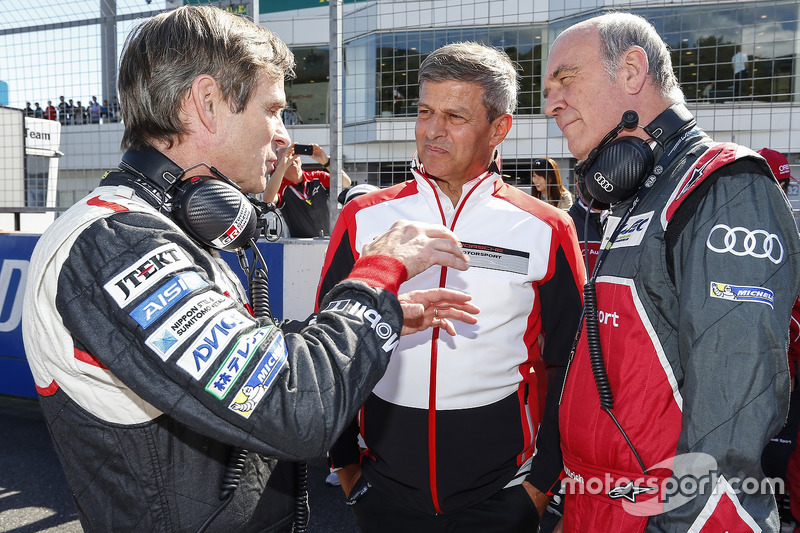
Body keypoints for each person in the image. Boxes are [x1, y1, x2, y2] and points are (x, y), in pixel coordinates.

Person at [21, 7, 480, 532]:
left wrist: (375, 318)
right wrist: (376, 276)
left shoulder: (158, 228)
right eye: (274, 110)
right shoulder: (113, 243)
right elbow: (297, 409)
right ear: (207, 103)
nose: (284, 136)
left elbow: (241, 362)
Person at [543, 12, 800, 531]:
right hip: (594, 506)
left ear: (633, 70)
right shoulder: (640, 195)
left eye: (565, 80)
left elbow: (729, 432)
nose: (551, 104)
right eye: (547, 91)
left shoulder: (725, 189)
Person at [318, 41, 585, 532]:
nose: (433, 130)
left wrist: (543, 480)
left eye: (455, 116)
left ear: (498, 127)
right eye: (424, 111)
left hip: (504, 493)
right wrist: (346, 466)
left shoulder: (546, 227)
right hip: (382, 487)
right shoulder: (365, 217)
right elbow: (331, 338)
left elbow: (570, 360)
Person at [263, 142, 350, 238]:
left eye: (294, 155)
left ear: (301, 160)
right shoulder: (280, 187)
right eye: (286, 156)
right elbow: (268, 199)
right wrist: (282, 166)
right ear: (276, 163)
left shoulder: (318, 177)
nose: (292, 159)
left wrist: (326, 161)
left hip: (331, 240)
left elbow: (346, 183)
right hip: (301, 246)